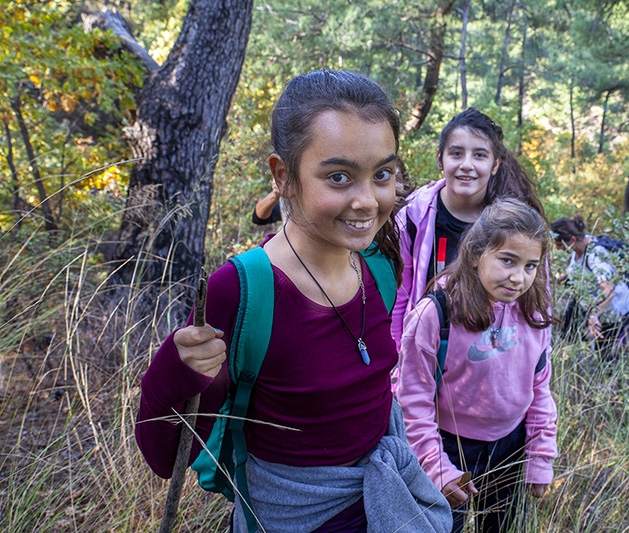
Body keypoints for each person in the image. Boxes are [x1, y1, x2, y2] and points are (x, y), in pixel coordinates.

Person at [135, 70, 451, 533]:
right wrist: (175, 371)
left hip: (383, 502)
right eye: (339, 177)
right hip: (290, 518)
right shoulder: (243, 290)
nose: (367, 201)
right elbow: (168, 455)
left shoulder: (377, 267)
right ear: (283, 176)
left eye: (381, 173)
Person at [397, 198, 558, 533]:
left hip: (510, 448)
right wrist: (437, 467)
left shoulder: (534, 314)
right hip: (450, 446)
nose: (518, 277)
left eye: (530, 265)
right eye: (507, 261)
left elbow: (540, 390)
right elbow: (413, 401)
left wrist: (540, 458)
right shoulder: (436, 313)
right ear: (474, 255)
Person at [391, 108, 547, 347]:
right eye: (456, 153)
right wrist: (398, 355)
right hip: (427, 353)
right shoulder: (413, 217)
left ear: (495, 164)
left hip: (490, 357)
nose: (466, 165)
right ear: (440, 159)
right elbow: (400, 295)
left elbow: (536, 300)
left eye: (479, 155)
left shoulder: (517, 224)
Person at [551, 215, 629, 360]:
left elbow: (609, 291)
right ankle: (579, 356)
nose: (558, 249)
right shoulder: (578, 247)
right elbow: (574, 270)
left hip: (614, 308)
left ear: (572, 239)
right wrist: (554, 280)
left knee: (604, 350)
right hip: (590, 301)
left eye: (559, 245)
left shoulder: (595, 256)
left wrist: (594, 315)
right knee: (567, 328)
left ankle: (608, 376)